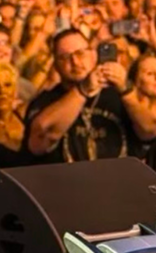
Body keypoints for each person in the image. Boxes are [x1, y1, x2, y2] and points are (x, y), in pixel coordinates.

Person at [24, 29, 134, 163]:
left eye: (80, 53)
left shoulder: (118, 94)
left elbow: (150, 129)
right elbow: (38, 142)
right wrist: (82, 91)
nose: (75, 62)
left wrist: (126, 90)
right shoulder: (45, 101)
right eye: (65, 57)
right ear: (56, 65)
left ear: (93, 55)